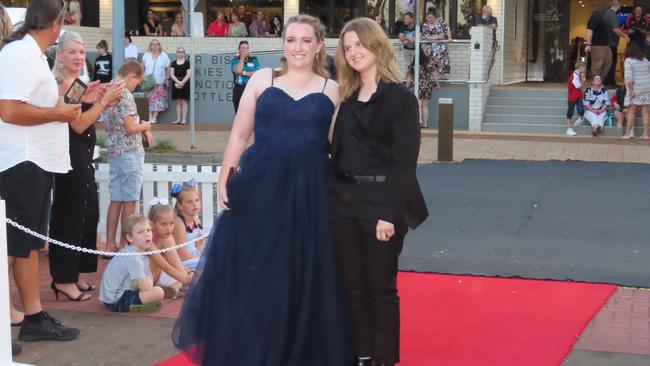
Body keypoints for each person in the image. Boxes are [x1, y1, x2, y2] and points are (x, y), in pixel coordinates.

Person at [172, 14, 352, 365]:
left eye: (305, 41)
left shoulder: (331, 89)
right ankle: (252, 347)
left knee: (301, 269)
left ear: (318, 46)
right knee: (260, 268)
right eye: (291, 40)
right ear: (282, 44)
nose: (297, 47)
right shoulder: (261, 78)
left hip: (310, 192)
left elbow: (337, 145)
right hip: (261, 188)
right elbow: (240, 133)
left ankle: (297, 347)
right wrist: (226, 175)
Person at [332, 17, 428, 366]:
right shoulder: (346, 97)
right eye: (347, 47)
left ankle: (384, 360)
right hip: (343, 204)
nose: (354, 52)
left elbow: (405, 164)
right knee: (353, 289)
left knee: (380, 290)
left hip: (382, 205)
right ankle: (362, 356)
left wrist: (389, 214)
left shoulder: (401, 99)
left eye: (360, 44)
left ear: (376, 46)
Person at [0, 0, 83, 350]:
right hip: (21, 163)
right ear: (56, 25)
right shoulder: (19, 54)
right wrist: (57, 114)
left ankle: (33, 317)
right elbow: (9, 110)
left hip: (34, 163)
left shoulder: (29, 54)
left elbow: (32, 103)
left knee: (29, 246)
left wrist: (62, 104)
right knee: (11, 248)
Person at [49, 31, 123, 303]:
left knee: (87, 213)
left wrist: (95, 94)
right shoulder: (60, 81)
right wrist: (103, 101)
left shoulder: (75, 81)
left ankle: (77, 272)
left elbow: (82, 103)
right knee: (69, 215)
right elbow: (78, 123)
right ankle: (63, 279)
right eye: (72, 52)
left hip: (83, 156)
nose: (79, 57)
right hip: (69, 157)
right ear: (60, 54)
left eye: (81, 52)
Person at [102, 60, 154, 253]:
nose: (136, 86)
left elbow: (107, 122)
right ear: (132, 76)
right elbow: (130, 128)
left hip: (114, 152)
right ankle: (126, 244)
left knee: (115, 199)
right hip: (130, 153)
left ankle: (109, 244)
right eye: (137, 82)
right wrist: (147, 125)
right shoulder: (125, 94)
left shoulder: (109, 90)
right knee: (130, 199)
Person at [99, 214, 165, 312]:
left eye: (148, 230)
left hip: (110, 298)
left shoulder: (130, 251)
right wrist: (149, 281)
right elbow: (144, 287)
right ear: (130, 238)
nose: (147, 234)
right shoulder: (133, 258)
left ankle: (142, 300)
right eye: (140, 232)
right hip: (116, 301)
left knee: (149, 285)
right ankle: (135, 306)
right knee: (159, 292)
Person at [408, 9, 452, 127]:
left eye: (431, 18)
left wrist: (407, 86)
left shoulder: (415, 63)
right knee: (424, 105)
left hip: (418, 84)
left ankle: (419, 122)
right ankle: (425, 124)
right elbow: (432, 72)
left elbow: (409, 75)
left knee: (418, 104)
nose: (430, 19)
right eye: (428, 18)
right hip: (427, 83)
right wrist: (437, 84)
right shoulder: (428, 63)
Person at [148, 199, 193, 297]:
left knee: (183, 276)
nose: (169, 228)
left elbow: (175, 261)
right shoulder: (148, 240)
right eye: (163, 224)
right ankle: (179, 286)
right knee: (183, 278)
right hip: (145, 278)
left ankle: (174, 288)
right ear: (152, 224)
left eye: (171, 223)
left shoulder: (166, 236)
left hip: (158, 274)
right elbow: (166, 267)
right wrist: (188, 281)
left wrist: (189, 272)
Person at [171, 180, 204, 270]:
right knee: (207, 264)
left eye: (197, 200)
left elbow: (198, 244)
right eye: (190, 202)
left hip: (193, 254)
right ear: (180, 206)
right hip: (182, 260)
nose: (195, 204)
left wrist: (206, 254)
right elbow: (181, 253)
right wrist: (200, 260)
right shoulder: (179, 223)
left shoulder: (196, 219)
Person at [622, 42, 650, 140]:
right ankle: (646, 134)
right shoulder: (645, 60)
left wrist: (631, 90)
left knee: (631, 110)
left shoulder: (628, 61)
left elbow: (628, 77)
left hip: (636, 87)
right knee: (645, 111)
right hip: (647, 87)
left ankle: (627, 133)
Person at [142, 39, 171, 123]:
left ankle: (154, 117)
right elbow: (142, 66)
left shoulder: (163, 55)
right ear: (150, 46)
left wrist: (168, 78)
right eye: (153, 44)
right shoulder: (146, 55)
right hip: (148, 82)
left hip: (160, 82)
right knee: (149, 100)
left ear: (159, 46)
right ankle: (150, 117)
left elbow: (168, 67)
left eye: (157, 44)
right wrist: (143, 76)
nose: (154, 46)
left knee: (159, 100)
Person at [604, 0, 629, 88]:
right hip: (611, 44)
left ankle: (609, 82)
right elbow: (615, 30)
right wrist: (625, 36)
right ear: (618, 5)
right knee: (611, 64)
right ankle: (610, 83)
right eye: (620, 6)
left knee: (608, 63)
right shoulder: (612, 14)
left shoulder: (606, 13)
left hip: (606, 43)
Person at [230, 40, 260, 113]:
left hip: (251, 89)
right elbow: (238, 71)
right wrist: (242, 58)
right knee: (239, 112)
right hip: (239, 89)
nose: (245, 50)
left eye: (246, 48)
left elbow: (257, 73)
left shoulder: (254, 59)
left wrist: (244, 72)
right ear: (239, 50)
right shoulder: (234, 60)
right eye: (243, 48)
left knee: (251, 112)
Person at [585, 5, 612, 80]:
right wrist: (588, 44)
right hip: (597, 45)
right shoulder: (595, 18)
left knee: (608, 62)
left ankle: (600, 79)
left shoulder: (604, 19)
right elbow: (589, 30)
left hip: (606, 45)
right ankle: (595, 82)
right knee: (597, 65)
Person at [170, 47, 191, 125]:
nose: (181, 53)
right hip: (176, 83)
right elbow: (171, 74)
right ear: (176, 53)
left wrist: (182, 82)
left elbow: (189, 74)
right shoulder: (173, 63)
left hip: (185, 83)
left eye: (182, 52)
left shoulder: (187, 63)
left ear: (184, 53)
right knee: (178, 102)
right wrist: (178, 82)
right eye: (179, 52)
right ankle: (178, 119)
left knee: (184, 101)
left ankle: (184, 120)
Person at [565, 61, 586, 136]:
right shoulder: (574, 76)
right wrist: (584, 90)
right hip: (572, 97)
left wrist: (583, 80)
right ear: (580, 67)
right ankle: (569, 129)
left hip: (579, 96)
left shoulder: (580, 74)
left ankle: (581, 118)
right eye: (583, 67)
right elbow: (579, 86)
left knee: (581, 110)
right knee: (570, 113)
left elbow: (583, 83)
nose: (584, 69)